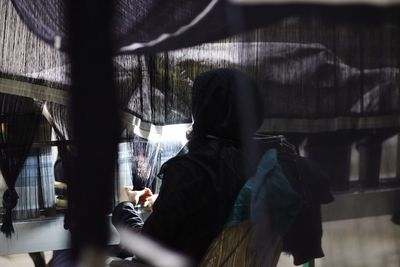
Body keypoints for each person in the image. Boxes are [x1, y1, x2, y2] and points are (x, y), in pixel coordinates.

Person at [112, 68, 264, 264]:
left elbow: (146, 248)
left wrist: (124, 206)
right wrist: (167, 201)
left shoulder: (190, 170)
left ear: (204, 110)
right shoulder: (259, 162)